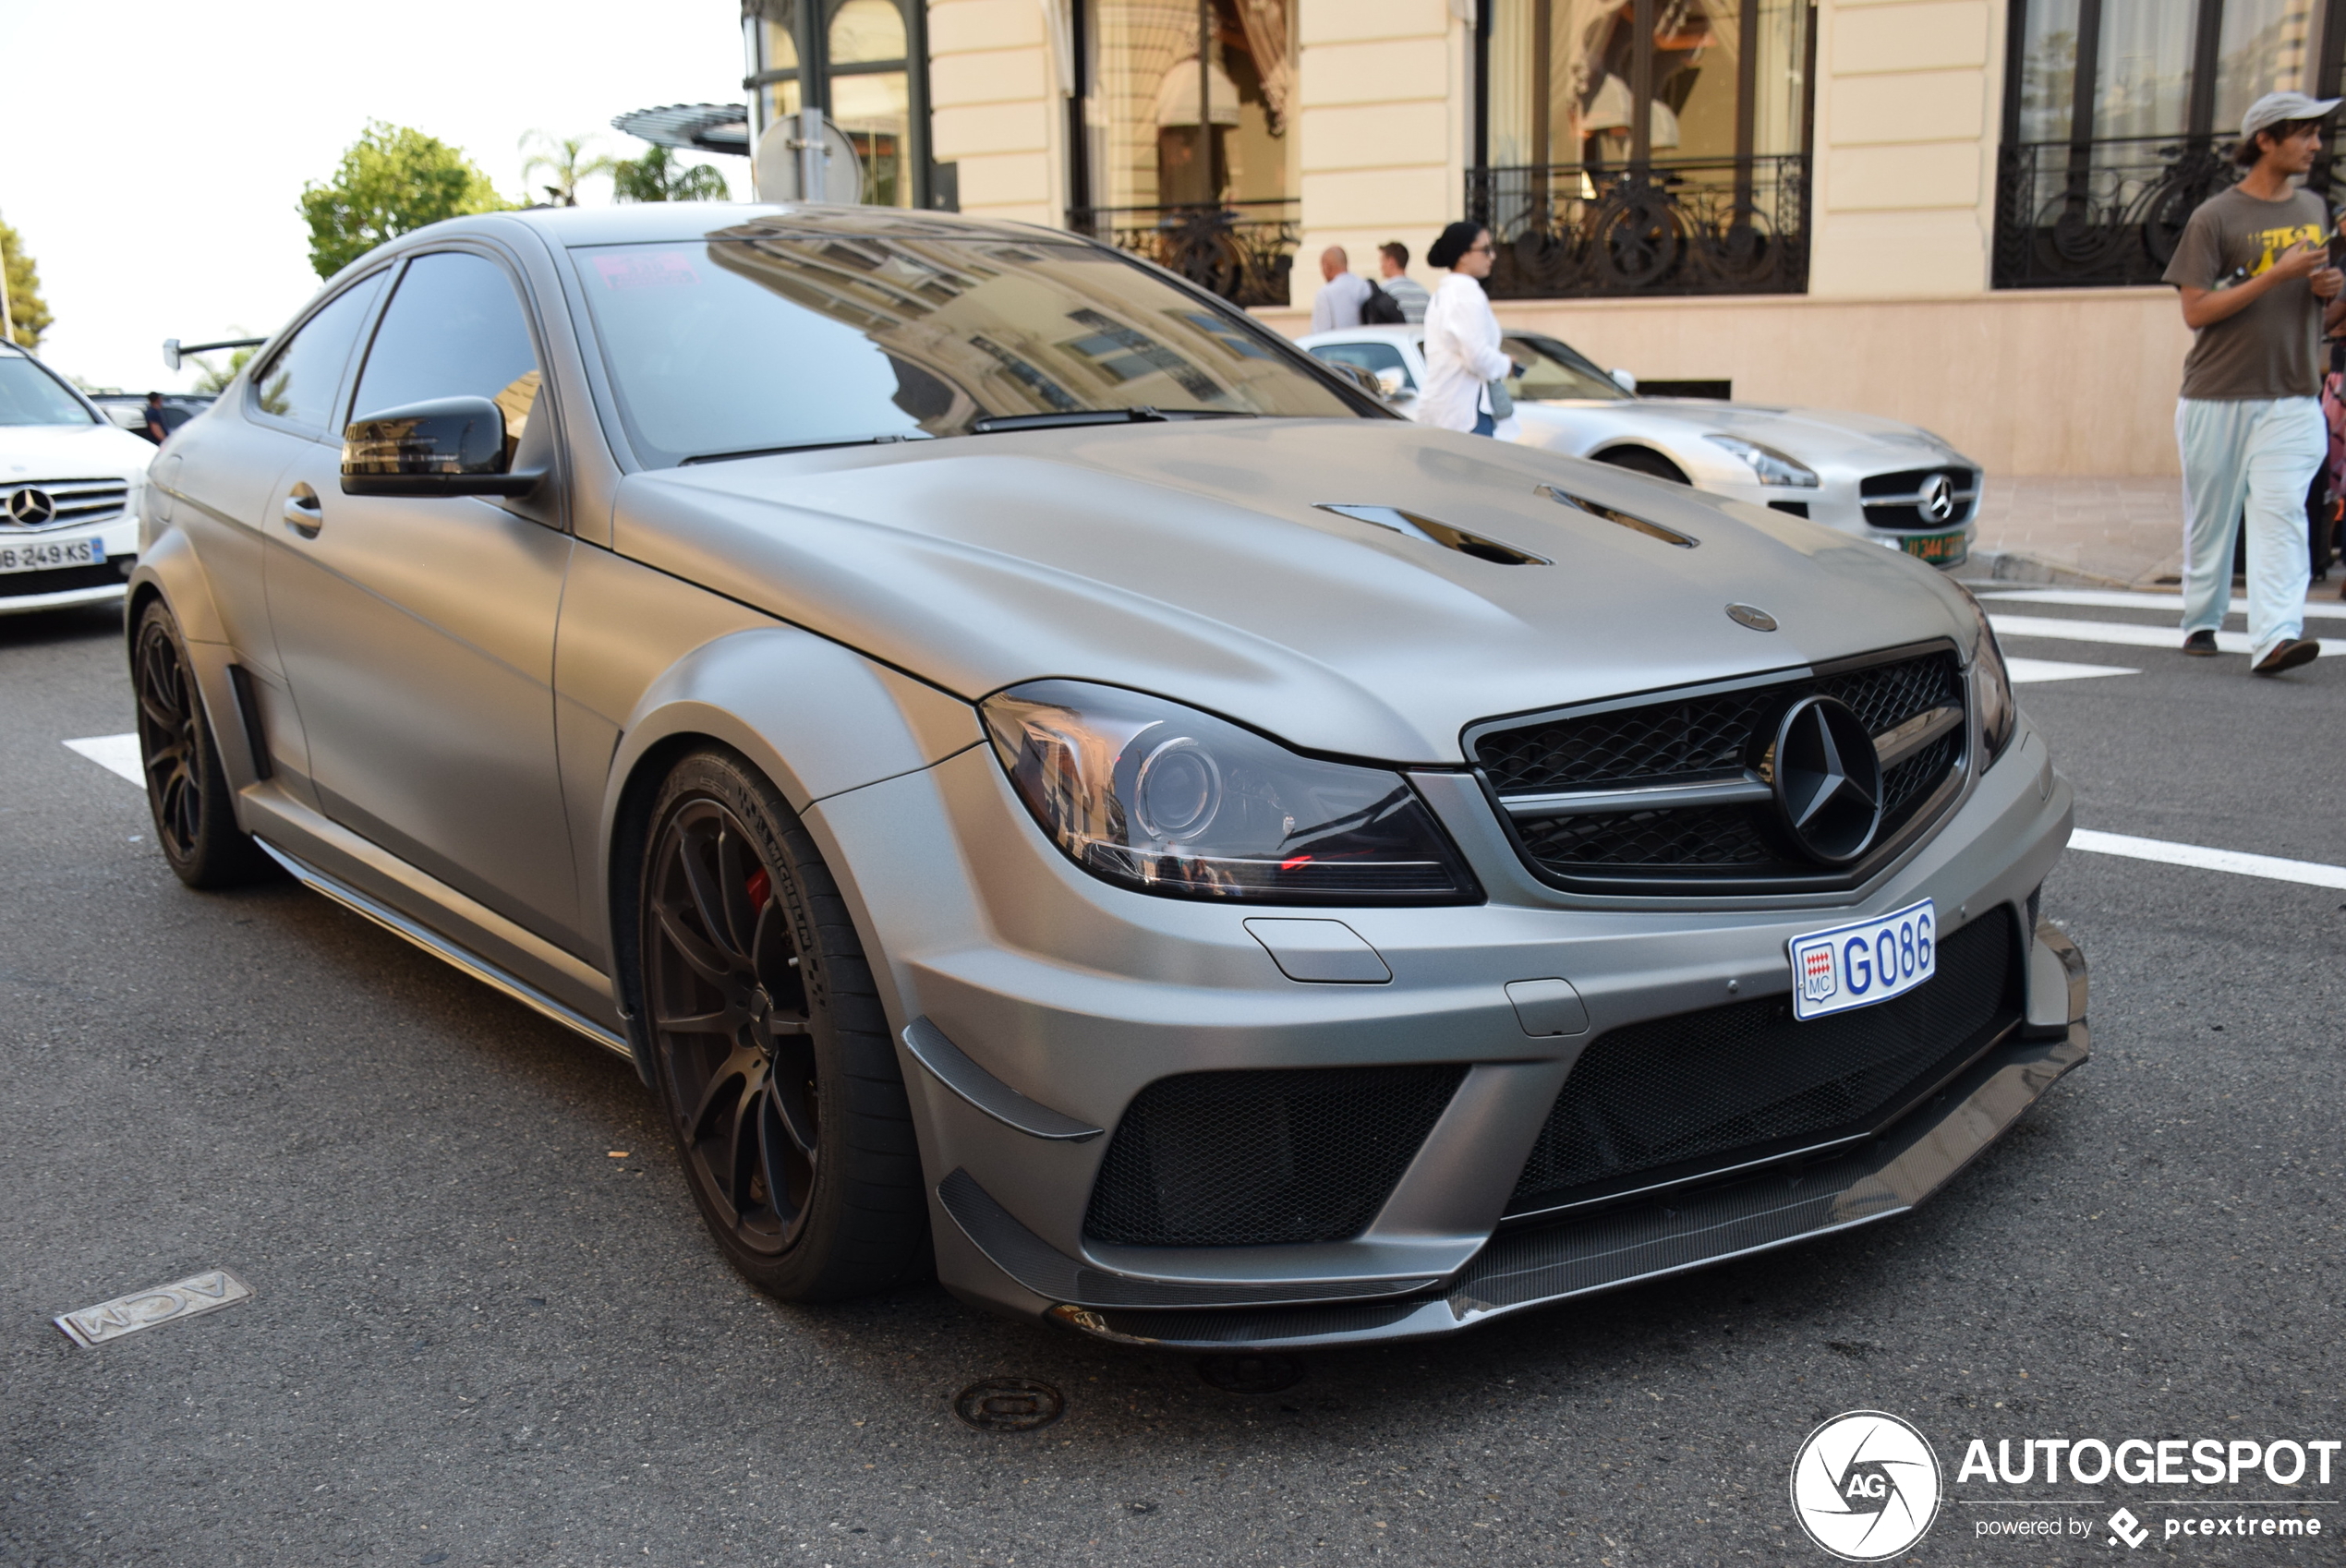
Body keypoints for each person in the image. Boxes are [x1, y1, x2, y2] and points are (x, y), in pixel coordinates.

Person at [2164, 90, 2344, 675]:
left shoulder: (2314, 208)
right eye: (2305, 133)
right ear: (2265, 139)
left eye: (2319, 133)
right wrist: (2279, 274)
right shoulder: (2214, 217)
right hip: (2216, 393)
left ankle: (2275, 637)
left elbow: (2315, 299)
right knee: (2212, 517)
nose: (2317, 145)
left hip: (2292, 395)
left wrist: (2324, 292)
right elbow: (2196, 311)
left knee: (2282, 511)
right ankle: (2201, 618)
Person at [1420, 221, 1513, 437]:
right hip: (1465, 415)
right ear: (1463, 255)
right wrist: (1505, 364)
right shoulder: (1465, 294)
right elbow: (1477, 356)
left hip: (1446, 410)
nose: (1492, 256)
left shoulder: (1445, 293)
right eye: (1485, 249)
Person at [1309, 247, 1371, 332]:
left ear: (1327, 266)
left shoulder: (1325, 294)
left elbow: (1320, 334)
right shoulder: (1364, 286)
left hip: (1339, 344)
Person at [1377, 241, 1430, 323]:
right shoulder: (1423, 293)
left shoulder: (1383, 291)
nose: (1381, 266)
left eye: (1382, 261)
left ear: (1391, 262)